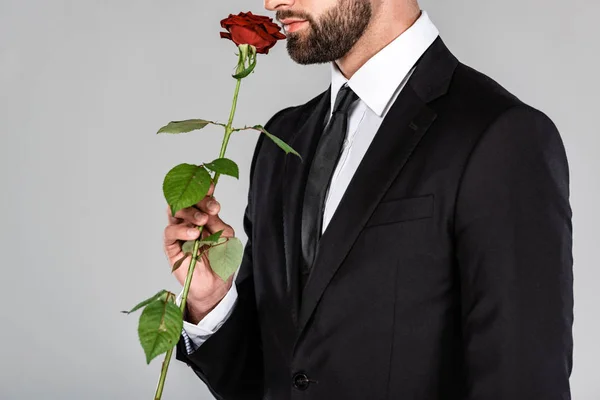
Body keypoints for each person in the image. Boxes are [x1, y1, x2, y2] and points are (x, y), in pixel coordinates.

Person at [163, 1, 574, 399]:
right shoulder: (281, 140)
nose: (273, 2)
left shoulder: (502, 136)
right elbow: (273, 381)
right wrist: (210, 302)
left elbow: (523, 382)